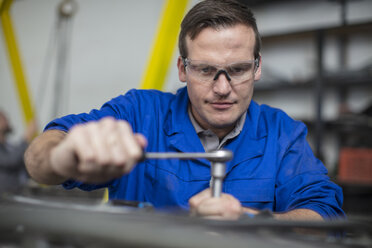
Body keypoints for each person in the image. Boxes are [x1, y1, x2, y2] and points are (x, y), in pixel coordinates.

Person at [25, 0, 344, 220]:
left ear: (257, 67)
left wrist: (252, 220)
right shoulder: (140, 113)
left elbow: (324, 212)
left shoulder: (282, 133)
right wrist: (64, 157)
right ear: (182, 68)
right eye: (205, 70)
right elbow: (39, 159)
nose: (222, 88)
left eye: (238, 69)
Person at [0, 111, 37, 192]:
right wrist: (26, 138)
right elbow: (11, 161)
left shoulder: (10, 146)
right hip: (4, 198)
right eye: (2, 118)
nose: (7, 120)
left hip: (18, 192)